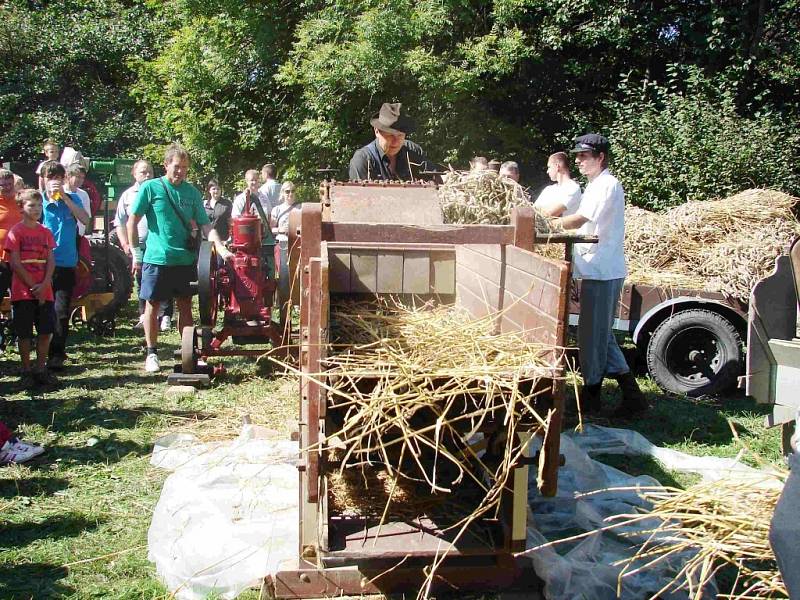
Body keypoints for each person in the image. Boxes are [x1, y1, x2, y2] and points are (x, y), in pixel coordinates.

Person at [551, 134, 646, 416]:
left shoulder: (607, 185)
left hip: (602, 272)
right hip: (594, 269)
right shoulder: (595, 185)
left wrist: (547, 224)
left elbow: (580, 220)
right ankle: (633, 398)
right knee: (600, 336)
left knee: (592, 338)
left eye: (583, 156)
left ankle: (591, 398)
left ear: (600, 157)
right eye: (577, 156)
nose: (578, 161)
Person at [127, 143, 229, 373]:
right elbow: (132, 220)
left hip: (184, 260)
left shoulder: (192, 193)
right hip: (156, 258)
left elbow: (205, 225)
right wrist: (135, 252)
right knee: (152, 306)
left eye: (184, 167)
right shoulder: (151, 188)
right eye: (176, 166)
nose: (180, 171)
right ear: (166, 165)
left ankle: (189, 352)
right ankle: (152, 353)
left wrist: (221, 248)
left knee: (185, 305)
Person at [40, 161, 90, 370]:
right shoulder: (37, 201)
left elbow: (85, 219)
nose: (55, 182)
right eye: (50, 178)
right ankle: (41, 352)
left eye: (58, 178)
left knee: (61, 310)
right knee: (43, 310)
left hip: (67, 262)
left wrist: (65, 197)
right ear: (43, 180)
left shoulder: (73, 198)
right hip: (41, 265)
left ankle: (57, 354)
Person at [6, 189, 57, 386]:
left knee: (45, 331)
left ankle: (40, 368)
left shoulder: (45, 232)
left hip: (45, 290)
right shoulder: (16, 232)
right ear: (21, 207)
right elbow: (15, 263)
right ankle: (26, 369)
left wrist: (44, 285)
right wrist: (32, 285)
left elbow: (51, 261)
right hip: (23, 291)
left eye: (38, 205)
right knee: (25, 332)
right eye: (31, 206)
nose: (36, 209)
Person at [115, 160, 173, 331]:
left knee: (166, 279)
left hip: (160, 245)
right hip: (138, 245)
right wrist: (126, 243)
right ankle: (144, 316)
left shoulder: (162, 191)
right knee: (142, 282)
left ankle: (166, 316)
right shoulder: (127, 196)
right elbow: (120, 222)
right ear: (134, 174)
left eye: (150, 172)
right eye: (143, 172)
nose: (147, 175)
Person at [349, 102, 437, 181]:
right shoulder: (363, 160)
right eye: (390, 135)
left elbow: (435, 179)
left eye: (400, 136)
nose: (395, 142)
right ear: (377, 131)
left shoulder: (413, 151)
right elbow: (359, 196)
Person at [533, 152, 582, 217]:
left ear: (557, 166)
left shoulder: (572, 187)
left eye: (549, 167)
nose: (547, 171)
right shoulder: (548, 189)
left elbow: (550, 214)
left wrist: (543, 209)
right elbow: (533, 211)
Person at [0, 169, 22, 304]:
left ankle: (18, 325)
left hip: (19, 259)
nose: (7, 188)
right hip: (1, 260)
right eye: (3, 185)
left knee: (20, 299)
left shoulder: (20, 201)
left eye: (10, 184)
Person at [63, 163, 93, 236]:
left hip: (78, 235)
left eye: (83, 178)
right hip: (63, 234)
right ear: (68, 176)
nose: (81, 180)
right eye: (78, 177)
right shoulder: (60, 192)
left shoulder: (84, 194)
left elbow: (87, 217)